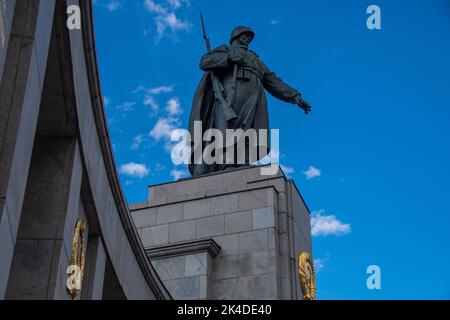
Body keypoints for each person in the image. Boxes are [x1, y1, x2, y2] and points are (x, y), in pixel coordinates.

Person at [188, 26, 311, 176]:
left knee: (247, 130)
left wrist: (294, 96)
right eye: (244, 36)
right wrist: (228, 58)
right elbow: (205, 61)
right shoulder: (225, 49)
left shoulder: (255, 59)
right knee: (226, 128)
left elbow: (272, 80)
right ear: (235, 37)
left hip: (252, 96)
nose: (247, 39)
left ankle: (241, 162)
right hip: (230, 92)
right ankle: (225, 163)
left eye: (249, 37)